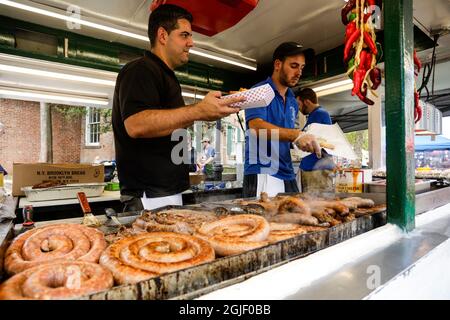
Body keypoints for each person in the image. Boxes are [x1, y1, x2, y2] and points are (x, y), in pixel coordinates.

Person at [112, 4, 244, 211]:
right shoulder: (140, 70)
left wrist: (212, 108)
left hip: (169, 191)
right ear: (162, 35)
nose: (191, 43)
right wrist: (199, 110)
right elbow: (136, 124)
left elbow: (172, 121)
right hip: (149, 195)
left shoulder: (169, 78)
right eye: (184, 35)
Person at [243, 42, 321, 198]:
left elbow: (286, 135)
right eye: (293, 66)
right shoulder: (258, 91)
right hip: (263, 171)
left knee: (296, 219)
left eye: (301, 67)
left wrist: (301, 143)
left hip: (287, 172)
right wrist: (296, 135)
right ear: (278, 64)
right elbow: (256, 127)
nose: (299, 72)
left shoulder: (292, 100)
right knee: (265, 221)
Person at [296, 88, 336, 193]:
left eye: (299, 104)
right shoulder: (314, 116)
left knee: (318, 204)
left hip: (317, 170)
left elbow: (320, 142)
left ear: (307, 102)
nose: (298, 108)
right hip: (313, 168)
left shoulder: (320, 114)